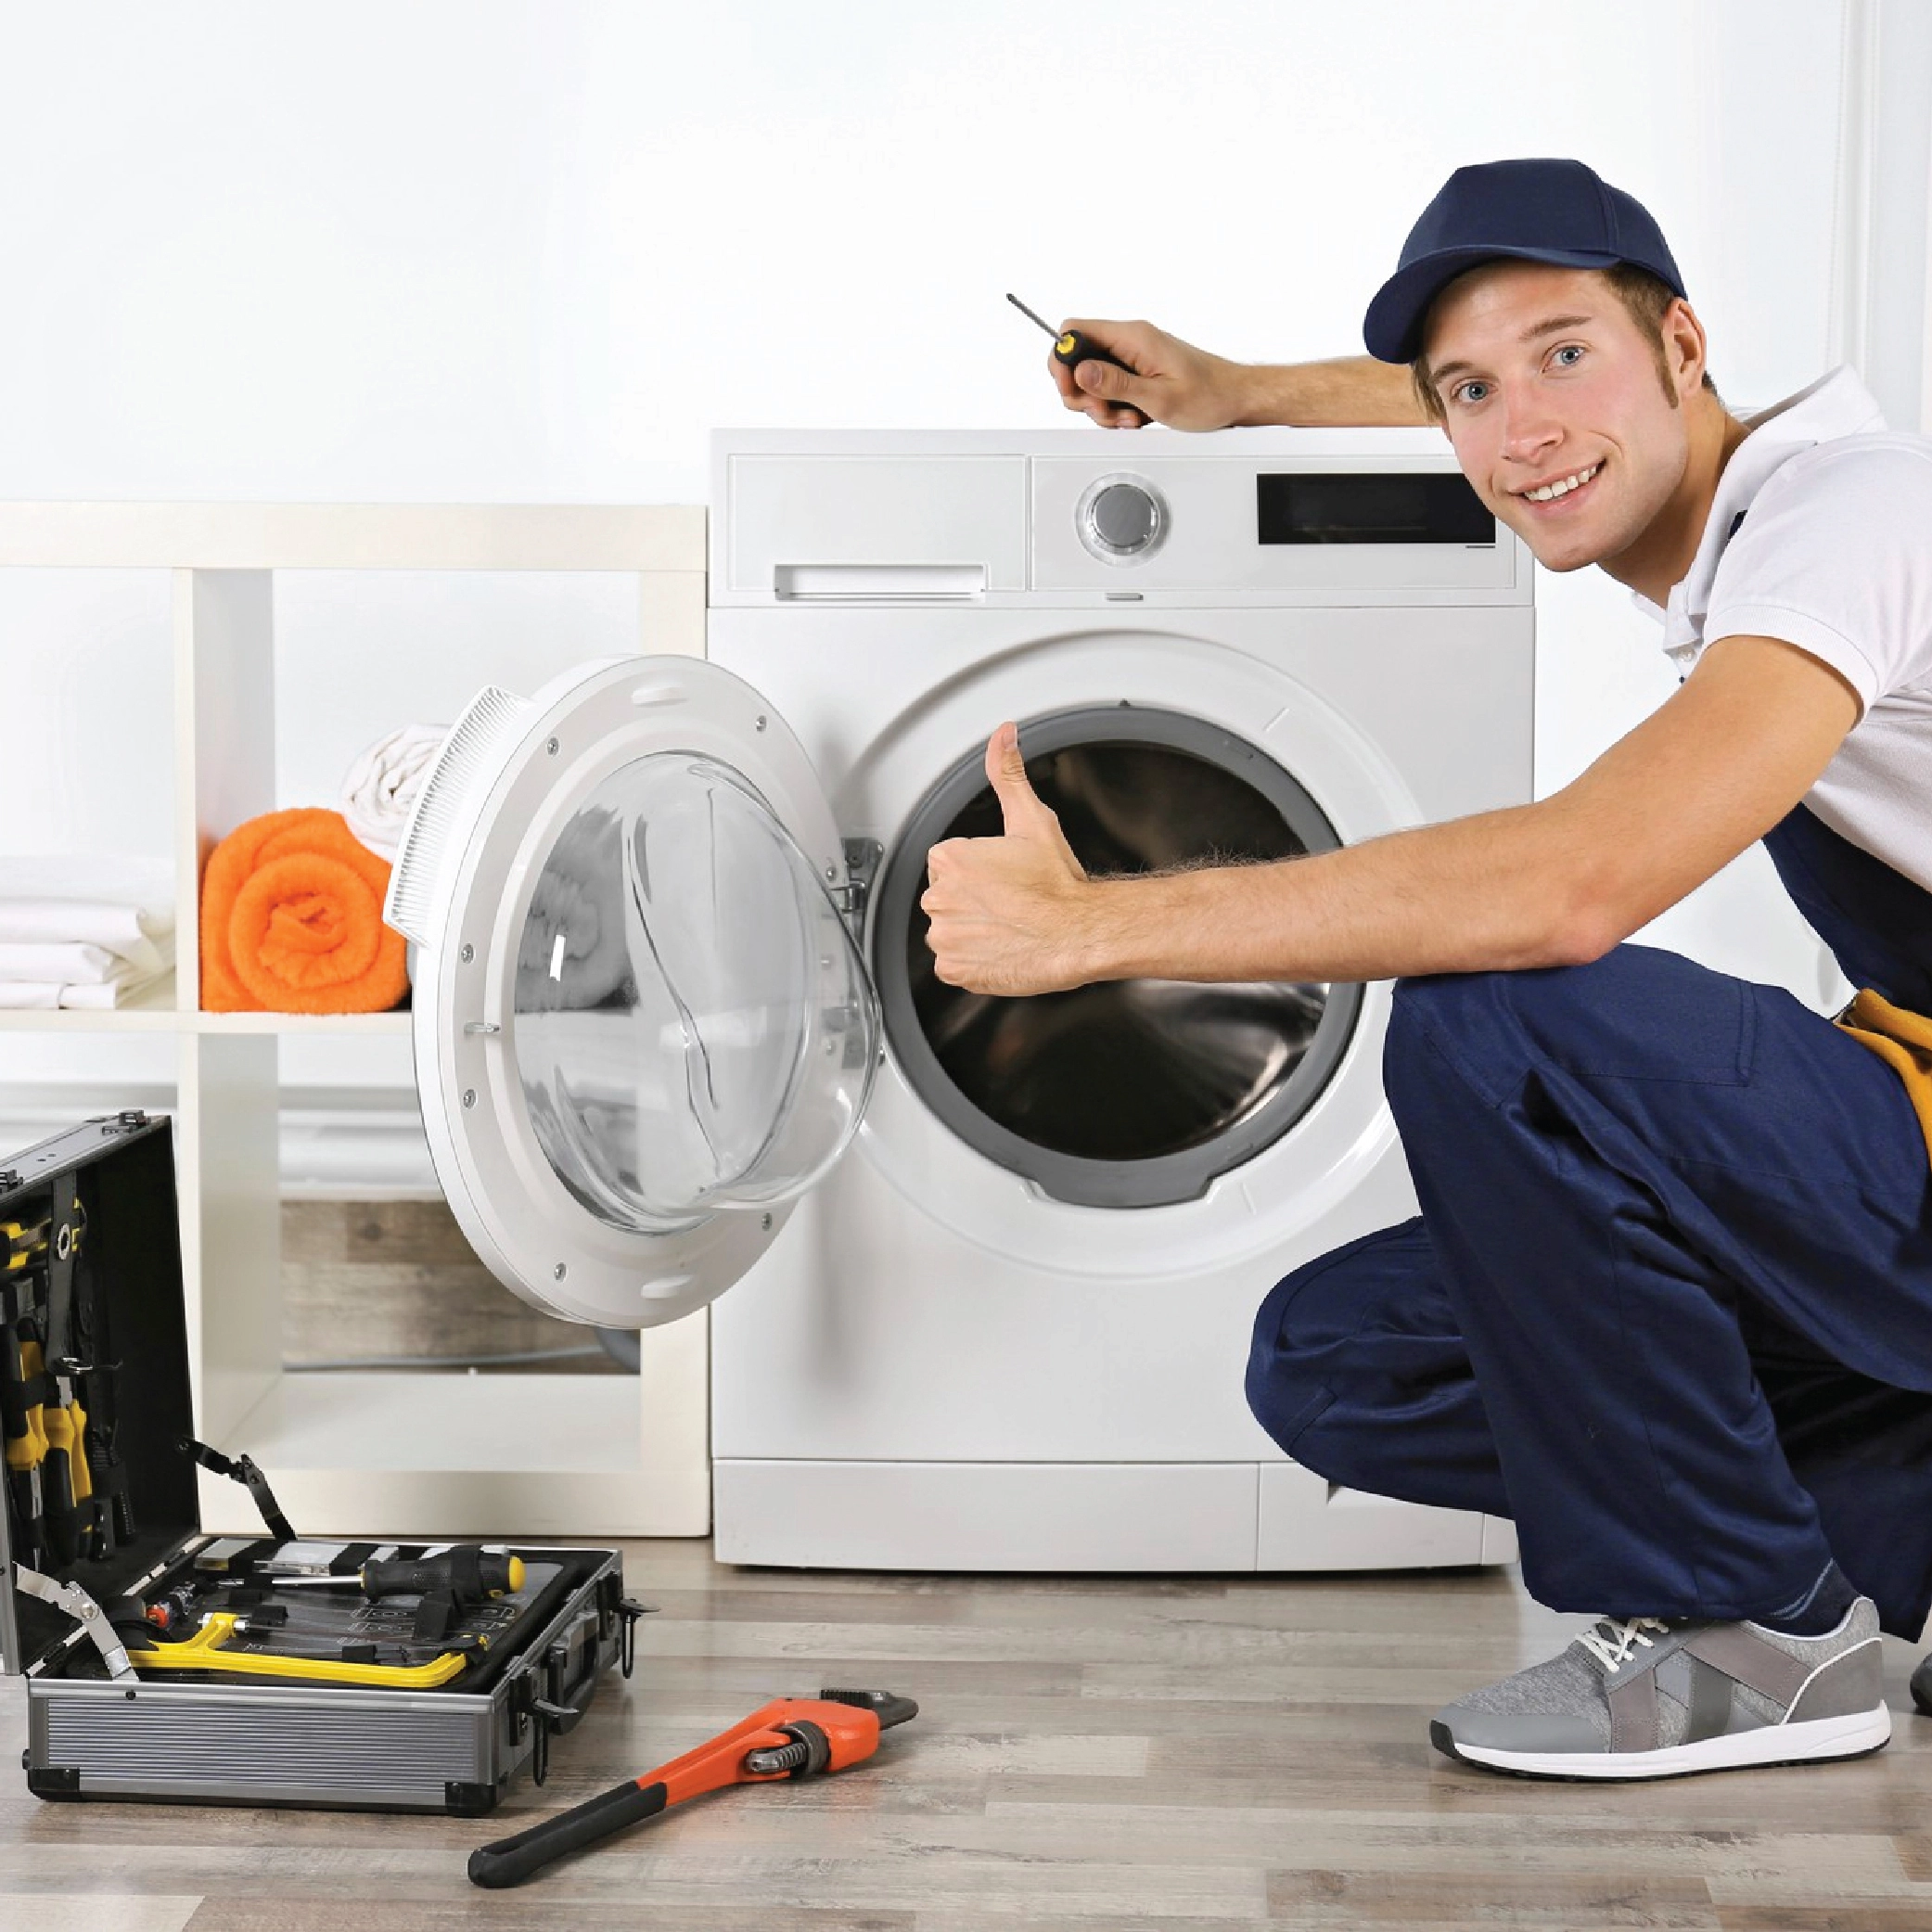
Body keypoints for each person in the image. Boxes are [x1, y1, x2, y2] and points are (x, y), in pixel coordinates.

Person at [920, 158, 1932, 1781]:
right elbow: (1502, 394)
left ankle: (1761, 1632)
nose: (1515, 429)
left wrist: (1088, 926)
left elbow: (1572, 886)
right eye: (1465, 391)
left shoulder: (1849, 519)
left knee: (1504, 1012)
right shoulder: (1733, 505)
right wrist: (1237, 395)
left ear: (1683, 344)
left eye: (1563, 357)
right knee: (1341, 1357)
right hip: (1908, 1122)